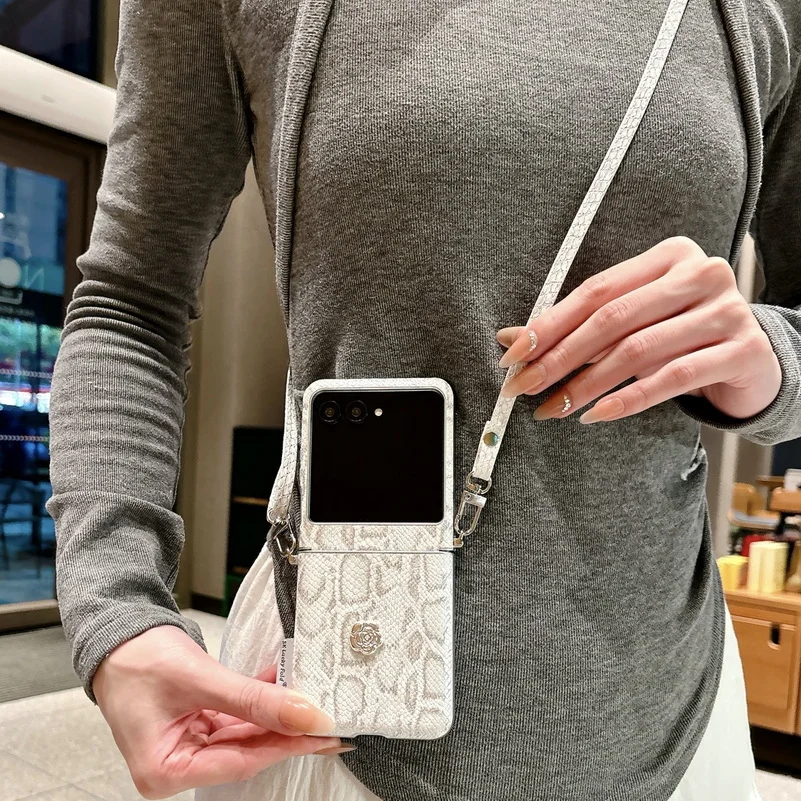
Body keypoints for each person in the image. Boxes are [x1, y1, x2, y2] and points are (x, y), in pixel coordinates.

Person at [47, 0, 801, 799]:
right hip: (328, 703)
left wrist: (769, 362)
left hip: (668, 708)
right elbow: (129, 302)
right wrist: (116, 606)